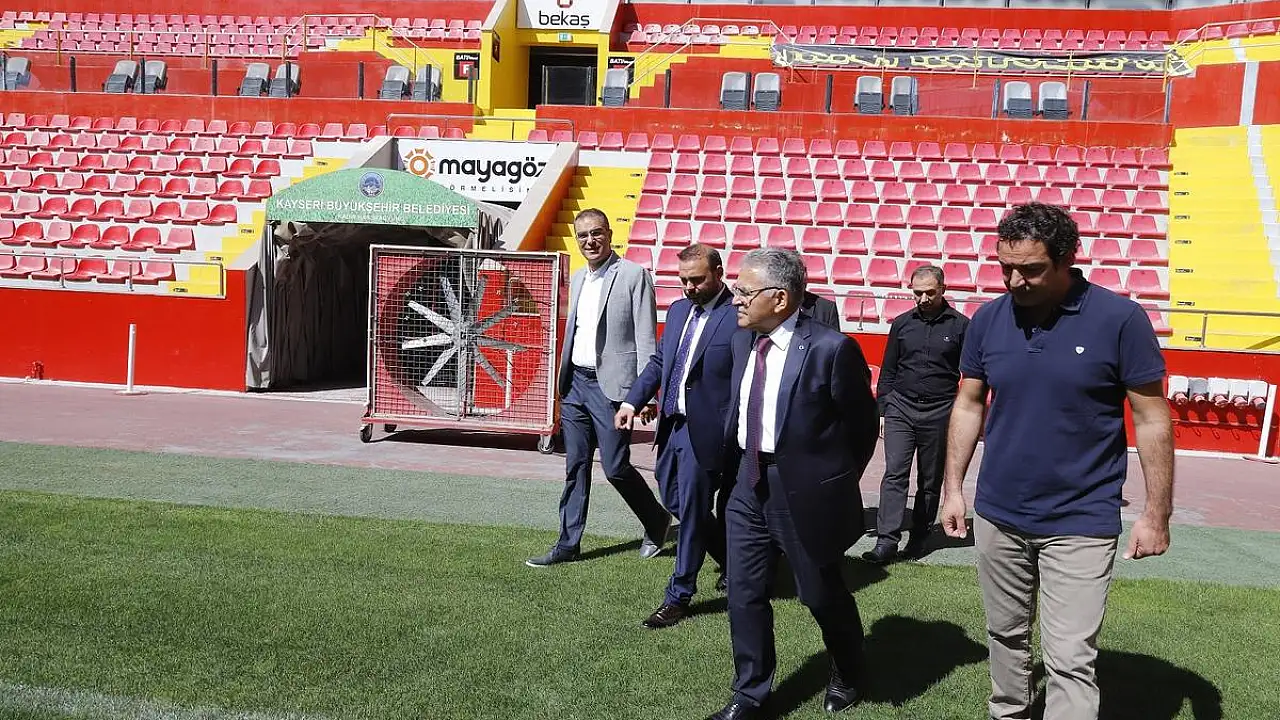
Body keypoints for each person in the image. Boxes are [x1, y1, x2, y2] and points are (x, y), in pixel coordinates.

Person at [940, 203, 1174, 720]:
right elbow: (969, 403)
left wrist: (1157, 513)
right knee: (1005, 635)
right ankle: (1009, 713)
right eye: (1005, 268)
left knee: (1069, 657)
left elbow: (1152, 418)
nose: (1014, 281)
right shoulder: (988, 319)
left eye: (1031, 269)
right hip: (999, 513)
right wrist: (953, 488)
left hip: (1081, 518)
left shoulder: (1120, 320)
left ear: (1068, 258)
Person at [707, 248, 880, 720]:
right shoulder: (742, 341)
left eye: (744, 292)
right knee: (743, 592)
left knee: (820, 593)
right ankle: (750, 693)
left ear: (779, 298)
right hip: (746, 482)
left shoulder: (830, 349)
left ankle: (848, 668)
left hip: (802, 490)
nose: (735, 299)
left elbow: (862, 428)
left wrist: (830, 482)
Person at [526, 209, 672, 568]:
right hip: (575, 384)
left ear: (609, 233)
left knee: (616, 467)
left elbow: (645, 337)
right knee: (575, 466)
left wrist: (644, 394)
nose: (590, 241)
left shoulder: (634, 275)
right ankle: (568, 543)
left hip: (613, 389)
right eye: (583, 236)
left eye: (596, 233)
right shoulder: (577, 278)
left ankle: (656, 519)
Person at [615, 244, 737, 629]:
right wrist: (633, 401)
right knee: (673, 499)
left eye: (697, 279)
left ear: (718, 273)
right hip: (672, 426)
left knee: (693, 511)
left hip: (709, 431)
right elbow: (660, 361)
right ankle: (734, 562)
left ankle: (678, 595)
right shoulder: (680, 309)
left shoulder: (737, 316)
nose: (689, 287)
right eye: (683, 280)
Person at [863, 264, 969, 564]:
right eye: (917, 293)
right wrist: (883, 410)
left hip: (940, 410)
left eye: (930, 293)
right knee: (894, 473)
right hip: (900, 407)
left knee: (930, 479)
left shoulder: (961, 326)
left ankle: (920, 537)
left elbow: (972, 374)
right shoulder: (901, 324)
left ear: (943, 289)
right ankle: (886, 541)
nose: (923, 298)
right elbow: (889, 370)